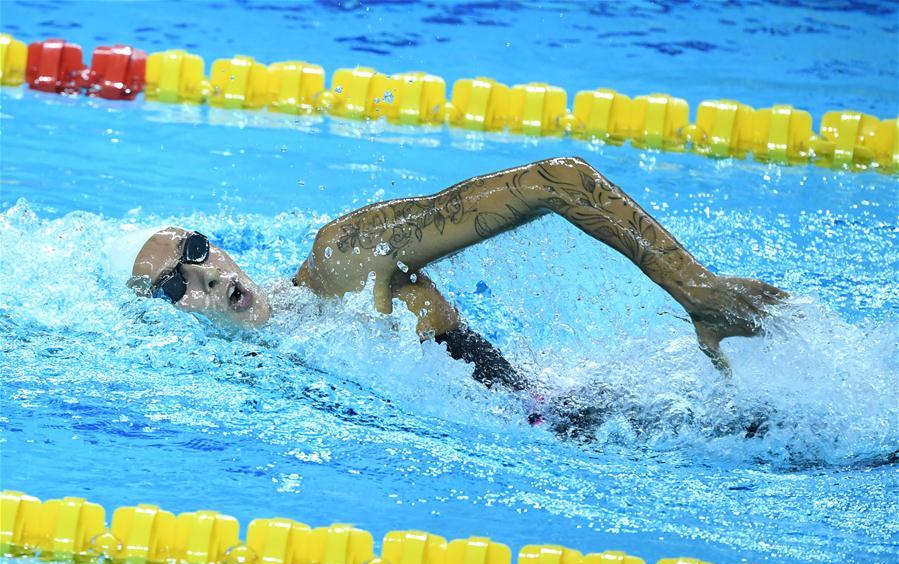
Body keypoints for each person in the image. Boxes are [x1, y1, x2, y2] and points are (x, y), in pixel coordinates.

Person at [122, 156, 786, 398]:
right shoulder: (233, 383)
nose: (203, 281)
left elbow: (558, 182)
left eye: (197, 251)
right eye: (174, 287)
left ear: (222, 247)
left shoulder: (343, 263)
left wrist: (693, 288)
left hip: (588, 425)